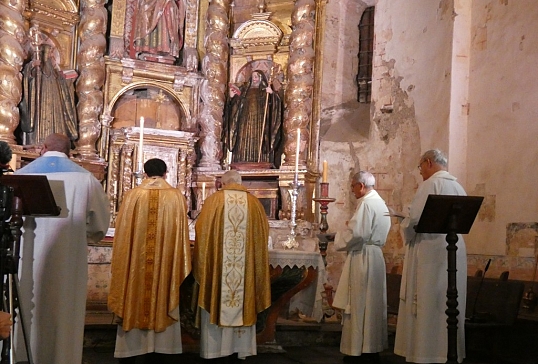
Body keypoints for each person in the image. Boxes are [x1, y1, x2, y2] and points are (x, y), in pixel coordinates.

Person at [14, 133, 110, 364]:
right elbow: (99, 226)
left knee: (25, 307)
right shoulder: (86, 179)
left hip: (27, 257)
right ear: (70, 152)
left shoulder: (20, 176)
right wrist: (79, 235)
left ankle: (22, 355)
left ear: (43, 148)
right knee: (64, 312)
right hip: (69, 259)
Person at [108, 158, 191, 363]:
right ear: (165, 173)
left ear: (145, 172)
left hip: (136, 263)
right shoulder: (175, 197)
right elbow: (180, 238)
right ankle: (162, 348)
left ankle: (131, 350)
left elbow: (123, 236)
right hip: (164, 266)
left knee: (134, 293)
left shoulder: (133, 196)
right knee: (163, 290)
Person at [394, 149, 467, 363]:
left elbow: (415, 219)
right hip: (454, 248)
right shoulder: (458, 186)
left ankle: (427, 354)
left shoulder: (430, 184)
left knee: (428, 301)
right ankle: (448, 352)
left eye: (420, 168)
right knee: (448, 299)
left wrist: (403, 222)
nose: (420, 173)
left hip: (430, 248)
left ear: (428, 162)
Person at [193, 170, 271, 361]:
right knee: (243, 297)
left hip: (219, 271)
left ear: (222, 183)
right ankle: (240, 349)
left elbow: (201, 232)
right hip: (245, 274)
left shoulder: (214, 201)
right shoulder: (255, 204)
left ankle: (215, 350)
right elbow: (263, 236)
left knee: (218, 294)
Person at [332, 171, 391, 364]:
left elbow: (357, 234)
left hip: (363, 257)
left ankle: (357, 350)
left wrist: (338, 236)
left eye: (353, 186)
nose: (351, 189)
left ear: (361, 186)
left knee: (358, 303)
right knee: (372, 304)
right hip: (375, 256)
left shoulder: (366, 203)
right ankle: (371, 348)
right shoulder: (380, 202)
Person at [20, 43, 78, 146]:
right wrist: (33, 66)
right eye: (48, 52)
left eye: (51, 53)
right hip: (40, 101)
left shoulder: (54, 71)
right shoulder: (36, 67)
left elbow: (62, 85)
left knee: (57, 121)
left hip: (56, 102)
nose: (50, 55)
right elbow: (27, 78)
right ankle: (40, 142)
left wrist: (68, 80)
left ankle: (58, 144)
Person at [223, 70, 283, 167]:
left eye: (256, 76)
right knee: (242, 139)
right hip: (245, 121)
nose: (254, 79)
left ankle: (261, 161)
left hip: (260, 122)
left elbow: (275, 106)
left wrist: (272, 94)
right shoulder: (244, 91)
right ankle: (241, 160)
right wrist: (232, 97)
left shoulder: (265, 91)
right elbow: (235, 106)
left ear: (261, 78)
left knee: (261, 139)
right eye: (253, 76)